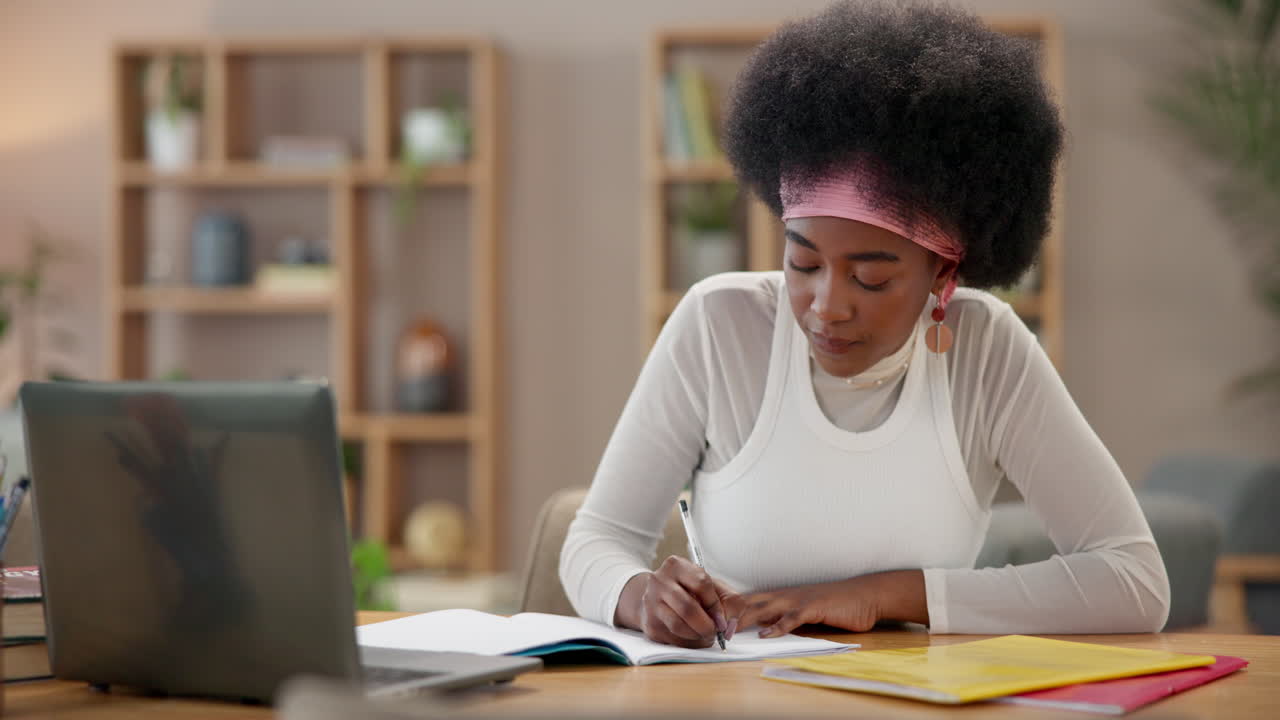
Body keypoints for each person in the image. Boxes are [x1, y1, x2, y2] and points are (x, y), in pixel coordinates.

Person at [561, 0, 1170, 648]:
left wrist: (882, 595)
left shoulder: (986, 351)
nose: (826, 305)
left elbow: (1134, 581)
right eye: (803, 262)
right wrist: (637, 596)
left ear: (943, 273)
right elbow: (597, 542)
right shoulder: (720, 327)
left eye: (871, 278)